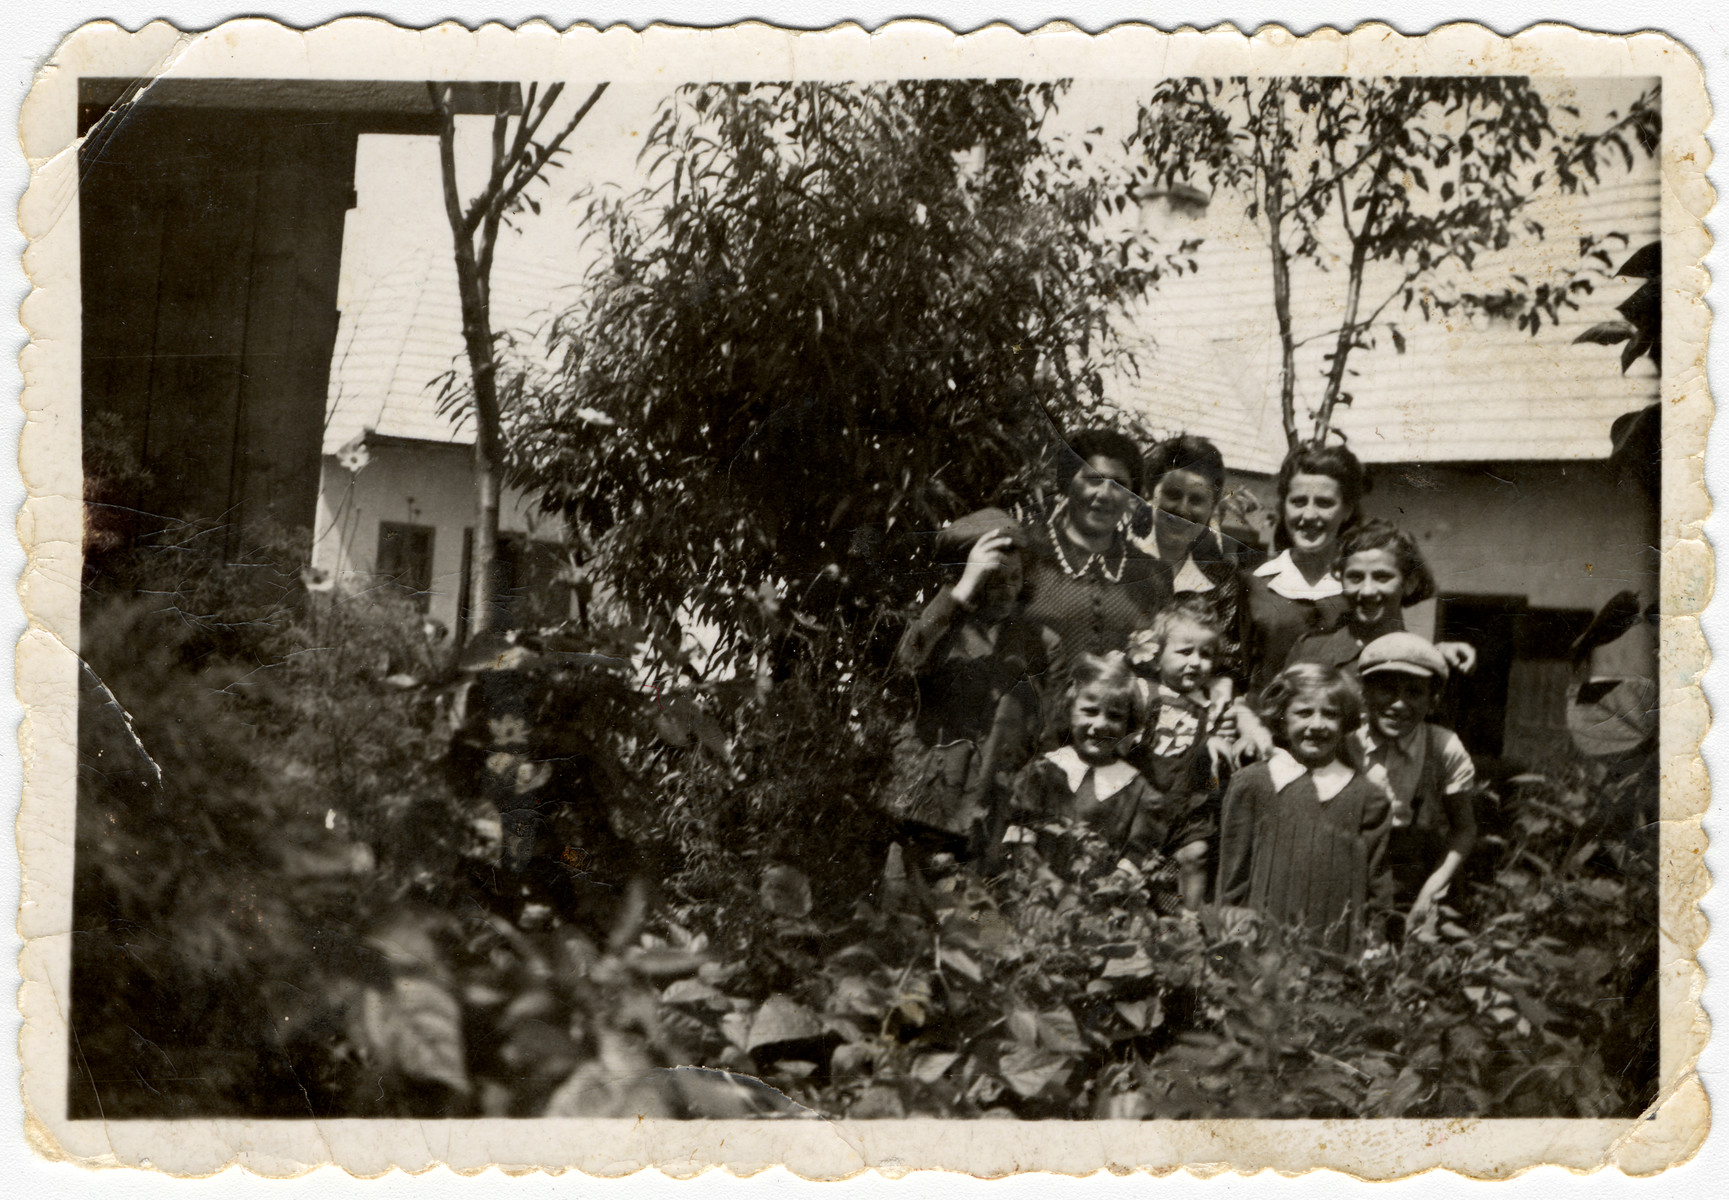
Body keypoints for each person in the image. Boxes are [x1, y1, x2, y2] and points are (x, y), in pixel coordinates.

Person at [887, 508, 1050, 854]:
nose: (1007, 591)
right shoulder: (940, 625)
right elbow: (907, 663)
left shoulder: (1036, 641)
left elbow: (1043, 722)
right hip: (930, 785)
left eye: (1014, 578)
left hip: (993, 793)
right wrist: (960, 593)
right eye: (994, 579)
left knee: (979, 899)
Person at [1005, 652, 1205, 913]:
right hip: (1036, 897)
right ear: (1069, 711)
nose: (1100, 725)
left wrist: (1098, 898)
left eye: (1114, 716)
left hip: (1100, 908)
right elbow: (1021, 844)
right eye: (1089, 711)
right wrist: (1055, 889)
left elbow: (1135, 859)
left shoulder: (1139, 790)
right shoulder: (1043, 771)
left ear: (1128, 722)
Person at [1217, 662, 1394, 953]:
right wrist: (1232, 941)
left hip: (1338, 944)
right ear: (1281, 718)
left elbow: (1378, 885)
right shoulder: (1253, 784)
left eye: (1330, 714)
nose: (1316, 725)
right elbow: (1233, 878)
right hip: (1262, 943)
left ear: (1345, 721)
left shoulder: (1366, 796)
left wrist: (1374, 944)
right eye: (1303, 712)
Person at [1353, 633, 1478, 938]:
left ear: (1433, 699)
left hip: (1419, 882)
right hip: (1353, 882)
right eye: (1386, 690)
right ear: (1364, 692)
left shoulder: (1442, 746)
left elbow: (1464, 829)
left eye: (1414, 692)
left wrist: (1431, 893)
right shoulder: (1347, 746)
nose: (1399, 704)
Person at [1019, 428, 1172, 665]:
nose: (1105, 494)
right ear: (1067, 482)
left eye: (1119, 484)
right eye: (1094, 479)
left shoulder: (1153, 574)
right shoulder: (1027, 551)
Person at [1124, 596, 1231, 908]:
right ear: (1157, 658)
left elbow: (1223, 742)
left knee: (1196, 855)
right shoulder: (1143, 692)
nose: (1196, 662)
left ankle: (1189, 921)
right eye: (1185, 652)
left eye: (1206, 654)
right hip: (1144, 802)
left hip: (1188, 803)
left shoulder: (1213, 702)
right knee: (1132, 866)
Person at [1237, 443, 1365, 698]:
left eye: (1324, 503)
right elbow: (1233, 677)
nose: (1309, 515)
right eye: (1298, 502)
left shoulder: (1364, 587)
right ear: (1283, 506)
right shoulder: (1253, 584)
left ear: (1347, 509)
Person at [1286, 518, 1437, 679]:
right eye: (1355, 577)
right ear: (1341, 579)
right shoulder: (1311, 650)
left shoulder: (1423, 658)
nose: (1367, 591)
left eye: (1382, 577)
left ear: (1409, 583)